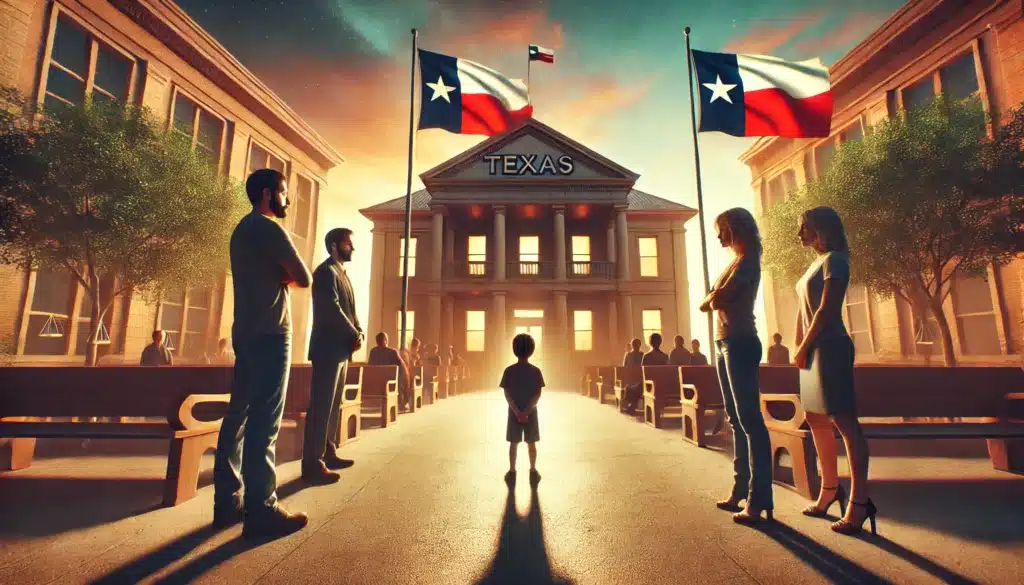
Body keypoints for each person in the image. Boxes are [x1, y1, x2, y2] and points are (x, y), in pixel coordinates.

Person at [212, 168, 312, 540]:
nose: (288, 200)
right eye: (285, 193)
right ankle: (262, 510)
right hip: (272, 333)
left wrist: (275, 272)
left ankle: (228, 503)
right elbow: (303, 277)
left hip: (245, 332)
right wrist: (281, 274)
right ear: (269, 194)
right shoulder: (271, 229)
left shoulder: (241, 230)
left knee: (237, 416)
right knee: (265, 423)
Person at [793, 206, 876, 535]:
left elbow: (827, 309)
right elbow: (804, 311)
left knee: (844, 422)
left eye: (804, 227)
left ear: (821, 229)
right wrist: (797, 345)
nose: (799, 234)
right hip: (812, 352)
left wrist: (804, 346)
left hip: (830, 348)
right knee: (815, 419)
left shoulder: (836, 261)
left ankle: (859, 502)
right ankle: (829, 490)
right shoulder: (814, 263)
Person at [700, 207, 773, 525]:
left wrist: (714, 296)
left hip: (740, 342)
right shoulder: (735, 262)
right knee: (734, 418)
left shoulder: (747, 262)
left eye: (721, 230)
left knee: (749, 420)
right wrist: (714, 296)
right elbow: (712, 299)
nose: (718, 237)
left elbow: (715, 300)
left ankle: (759, 500)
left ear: (734, 228)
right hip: (724, 343)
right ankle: (740, 489)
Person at [303, 228, 362, 485]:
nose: (353, 248)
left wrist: (357, 330)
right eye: (349, 244)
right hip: (328, 348)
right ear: (335, 246)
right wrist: (352, 333)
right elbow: (332, 309)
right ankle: (313, 462)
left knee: (334, 403)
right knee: (321, 406)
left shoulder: (342, 274)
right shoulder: (325, 273)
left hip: (341, 349)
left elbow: (350, 310)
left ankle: (328, 451)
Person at [500, 333, 545, 486]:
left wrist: (517, 411)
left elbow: (506, 393)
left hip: (514, 413)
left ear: (515, 349)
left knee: (513, 442)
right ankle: (533, 470)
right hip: (531, 412)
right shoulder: (536, 371)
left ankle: (512, 471)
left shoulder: (509, 371)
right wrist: (527, 410)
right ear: (531, 350)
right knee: (531, 442)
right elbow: (538, 393)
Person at [368, 332, 411, 410]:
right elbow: (402, 367)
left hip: (375, 382)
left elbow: (370, 366)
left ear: (377, 341)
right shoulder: (392, 352)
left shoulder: (372, 352)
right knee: (403, 377)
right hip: (389, 382)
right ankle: (402, 402)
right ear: (385, 340)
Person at [621, 338, 644, 413]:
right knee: (635, 386)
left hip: (633, 379)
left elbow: (624, 368)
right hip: (636, 379)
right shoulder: (642, 355)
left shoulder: (629, 355)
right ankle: (631, 406)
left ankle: (630, 405)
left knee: (633, 387)